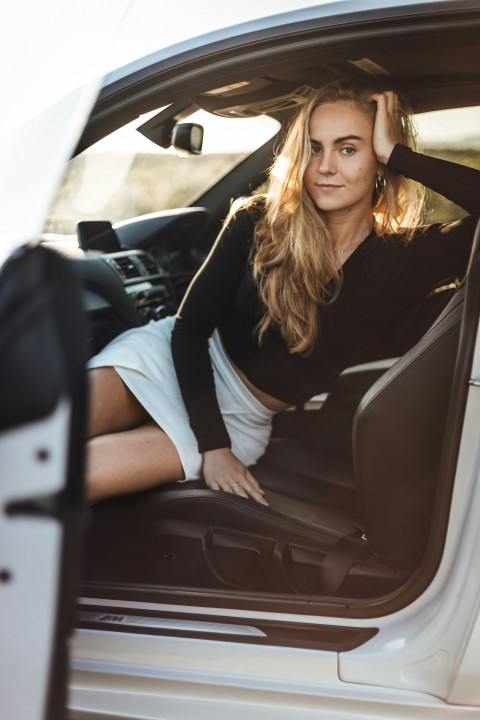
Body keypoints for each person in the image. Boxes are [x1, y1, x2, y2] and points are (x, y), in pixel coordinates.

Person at [86, 80, 480, 505]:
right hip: (169, 361)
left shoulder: (409, 256)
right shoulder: (258, 221)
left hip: (241, 418)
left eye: (349, 149)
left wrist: (399, 155)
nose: (326, 166)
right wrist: (211, 446)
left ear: (379, 161)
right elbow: (190, 329)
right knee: (38, 448)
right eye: (314, 148)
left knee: (74, 477)